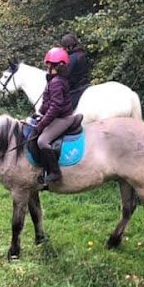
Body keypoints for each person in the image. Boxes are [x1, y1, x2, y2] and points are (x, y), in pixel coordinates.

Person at [34, 46, 75, 186]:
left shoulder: (56, 82)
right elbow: (49, 102)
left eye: (48, 63)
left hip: (63, 119)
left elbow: (55, 107)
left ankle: (55, 173)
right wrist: (39, 113)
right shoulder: (55, 79)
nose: (46, 65)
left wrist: (42, 124)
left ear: (54, 65)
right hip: (57, 116)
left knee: (42, 141)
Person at [61, 33, 90, 109]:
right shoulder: (83, 54)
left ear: (69, 47)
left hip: (76, 89)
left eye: (65, 48)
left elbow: (66, 74)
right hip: (85, 84)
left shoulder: (71, 58)